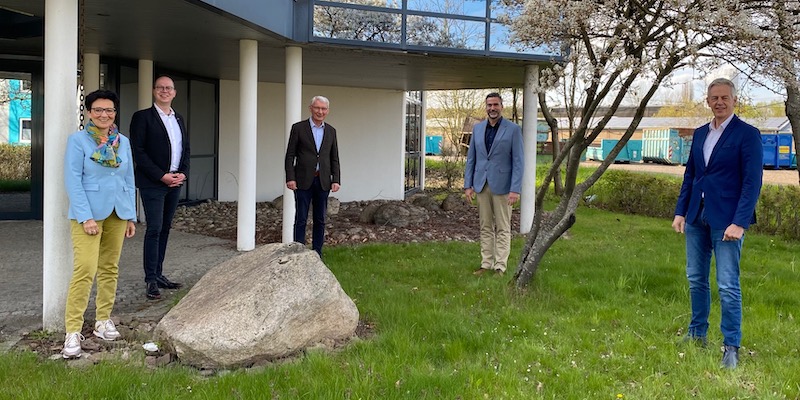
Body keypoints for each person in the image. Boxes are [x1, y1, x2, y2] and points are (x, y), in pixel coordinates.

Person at [672, 77, 763, 369]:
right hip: (697, 216)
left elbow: (752, 182)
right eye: (715, 98)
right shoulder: (700, 134)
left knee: (727, 285)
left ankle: (731, 346)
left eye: (725, 97)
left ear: (734, 100)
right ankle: (697, 334)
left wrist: (740, 223)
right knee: (696, 279)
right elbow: (691, 176)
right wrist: (680, 212)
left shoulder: (747, 135)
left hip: (727, 222)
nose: (720, 102)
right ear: (708, 102)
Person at [62, 90, 137, 358]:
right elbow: (73, 180)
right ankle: (72, 330)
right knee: (85, 269)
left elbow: (128, 178)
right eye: (98, 110)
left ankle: (103, 320)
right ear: (89, 112)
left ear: (115, 113)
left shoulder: (122, 141)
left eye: (109, 110)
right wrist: (86, 217)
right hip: (89, 216)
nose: (104, 115)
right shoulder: (79, 141)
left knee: (109, 268)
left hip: (118, 212)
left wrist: (130, 215)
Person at [130, 75, 190, 300]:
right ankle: (150, 280)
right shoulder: (142, 117)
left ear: (174, 93)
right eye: (160, 88)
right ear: (154, 91)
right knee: (154, 229)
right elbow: (139, 153)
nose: (165, 91)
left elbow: (185, 149)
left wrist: (183, 172)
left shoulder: (179, 119)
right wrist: (161, 176)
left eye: (169, 88)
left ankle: (159, 273)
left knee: (165, 228)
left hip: (175, 182)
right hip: (153, 183)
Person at [463, 92, 524, 276]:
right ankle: (486, 263)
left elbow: (518, 161)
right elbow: (471, 158)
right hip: (481, 184)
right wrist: (468, 185)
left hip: (504, 186)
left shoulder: (513, 129)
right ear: (486, 107)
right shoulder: (478, 129)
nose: (492, 108)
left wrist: (515, 189)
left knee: (503, 227)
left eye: (496, 105)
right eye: (489, 105)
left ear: (501, 107)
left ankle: (500, 267)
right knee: (486, 226)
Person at [285, 95, 341, 256]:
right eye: (317, 108)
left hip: (323, 181)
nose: (320, 111)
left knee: (320, 219)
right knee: (301, 218)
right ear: (311, 108)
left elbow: (334, 157)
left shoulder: (331, 131)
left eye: (323, 109)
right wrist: (290, 177)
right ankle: (298, 252)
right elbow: (290, 155)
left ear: (327, 111)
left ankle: (317, 252)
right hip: (302, 180)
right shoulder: (298, 128)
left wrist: (336, 179)